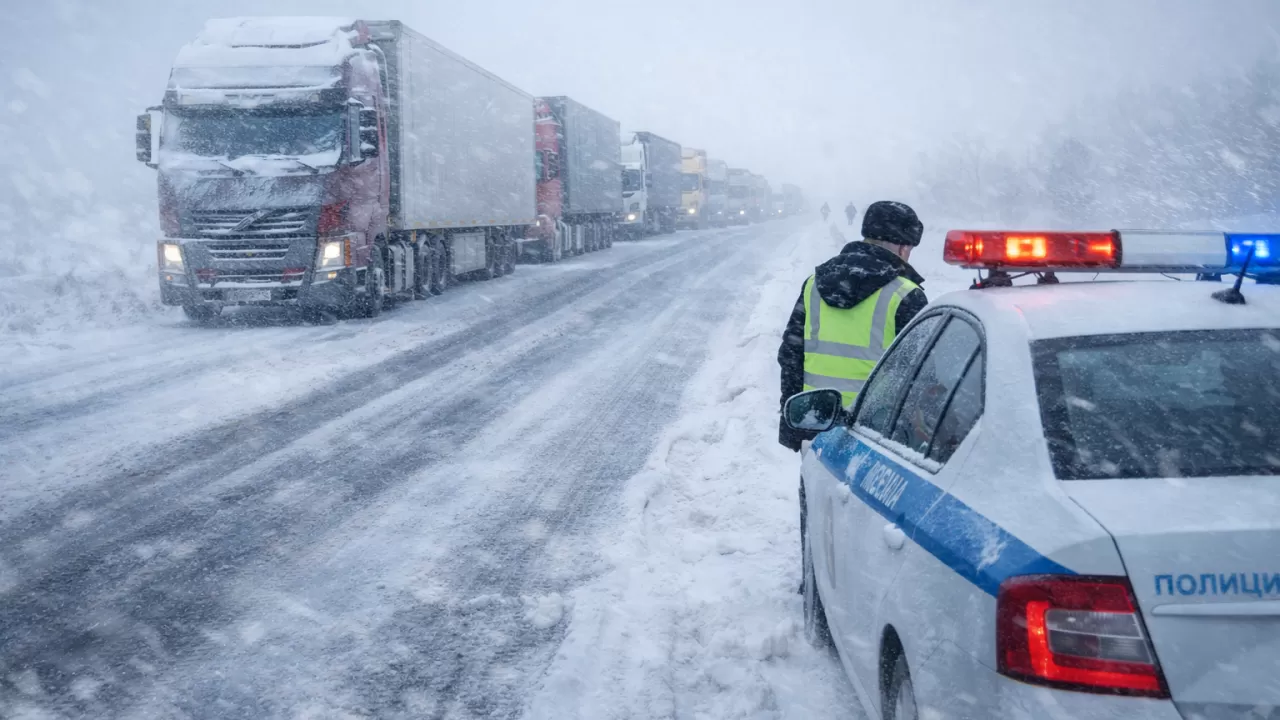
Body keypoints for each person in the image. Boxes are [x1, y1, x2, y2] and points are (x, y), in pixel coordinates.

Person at [778, 201, 928, 591]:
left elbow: (790, 354)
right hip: (879, 436)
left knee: (818, 514)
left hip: (819, 425)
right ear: (901, 246)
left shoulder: (814, 284)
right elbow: (921, 376)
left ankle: (816, 587)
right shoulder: (905, 295)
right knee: (870, 527)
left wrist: (794, 422)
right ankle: (859, 599)